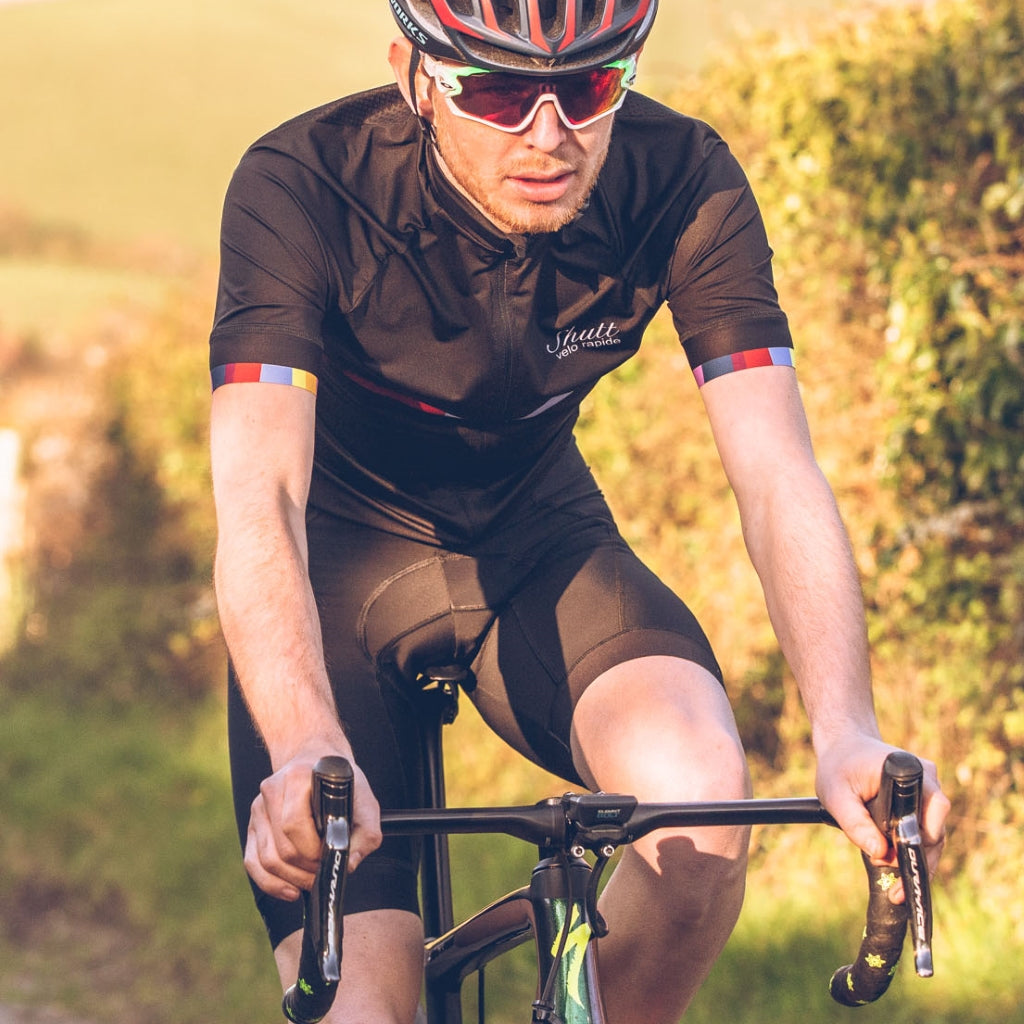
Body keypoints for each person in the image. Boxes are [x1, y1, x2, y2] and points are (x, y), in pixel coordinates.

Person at [208, 2, 949, 1021]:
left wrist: (846, 727)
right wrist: (301, 742)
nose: (549, 135)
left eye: (591, 88)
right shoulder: (301, 184)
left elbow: (777, 471)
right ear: (414, 74)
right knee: (364, 1003)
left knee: (700, 805)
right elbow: (262, 493)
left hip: (537, 538)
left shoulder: (681, 178)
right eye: (501, 94)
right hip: (339, 568)